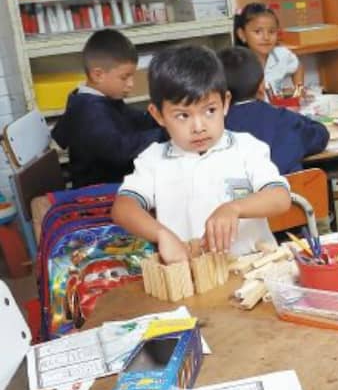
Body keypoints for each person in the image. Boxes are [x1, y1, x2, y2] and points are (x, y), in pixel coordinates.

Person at [112, 45, 291, 263]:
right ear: (158, 115)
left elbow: (280, 198)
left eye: (210, 111)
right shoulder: (153, 160)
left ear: (225, 103)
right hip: (196, 278)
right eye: (182, 116)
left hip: (254, 269)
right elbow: (123, 207)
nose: (198, 127)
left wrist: (235, 208)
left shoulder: (247, 148)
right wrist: (161, 234)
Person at [51, 29, 163, 188]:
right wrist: (164, 133)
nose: (131, 84)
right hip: (99, 192)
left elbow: (132, 119)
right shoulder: (90, 111)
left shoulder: (84, 99)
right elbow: (120, 151)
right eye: (125, 77)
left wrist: (161, 118)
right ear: (98, 75)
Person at [219, 46, 329, 174]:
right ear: (261, 87)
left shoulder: (214, 130)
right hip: (289, 192)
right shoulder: (283, 119)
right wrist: (301, 118)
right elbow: (320, 135)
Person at [234, 2, 305, 98]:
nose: (266, 37)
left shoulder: (281, 54)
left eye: (271, 31)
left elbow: (298, 67)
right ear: (242, 34)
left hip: (277, 109)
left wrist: (298, 90)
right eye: (258, 32)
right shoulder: (237, 63)